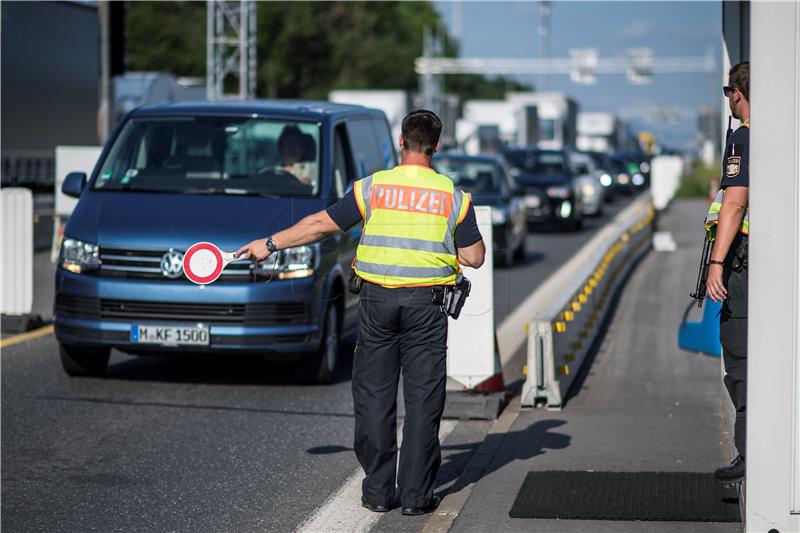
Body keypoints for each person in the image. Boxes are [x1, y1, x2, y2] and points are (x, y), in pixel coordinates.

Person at [236, 110, 486, 514]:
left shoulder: (374, 189)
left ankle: (377, 492)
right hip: (427, 307)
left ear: (401, 142)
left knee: (373, 394)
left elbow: (321, 224)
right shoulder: (453, 197)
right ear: (436, 147)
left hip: (376, 303)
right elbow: (475, 257)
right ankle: (417, 497)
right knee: (423, 399)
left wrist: (270, 243)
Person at [705, 61, 750, 486]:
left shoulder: (742, 138)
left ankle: (749, 455)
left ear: (738, 93)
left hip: (743, 264)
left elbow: (734, 204)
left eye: (728, 91)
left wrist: (716, 263)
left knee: (739, 361)